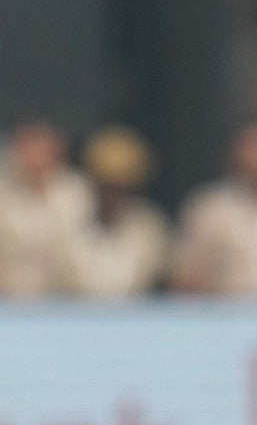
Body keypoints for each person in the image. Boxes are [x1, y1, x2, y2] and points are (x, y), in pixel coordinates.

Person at [170, 120, 257, 297]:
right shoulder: (209, 208)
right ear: (235, 152)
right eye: (252, 145)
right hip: (225, 315)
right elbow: (186, 279)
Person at [73, 125, 172, 297]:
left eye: (120, 189)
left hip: (140, 321)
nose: (112, 197)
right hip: (74, 321)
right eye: (106, 187)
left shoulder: (151, 229)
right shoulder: (70, 228)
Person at [0, 118, 95, 296]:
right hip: (12, 300)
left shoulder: (77, 192)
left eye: (39, 149)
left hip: (68, 297)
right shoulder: (4, 196)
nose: (33, 158)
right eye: (27, 150)